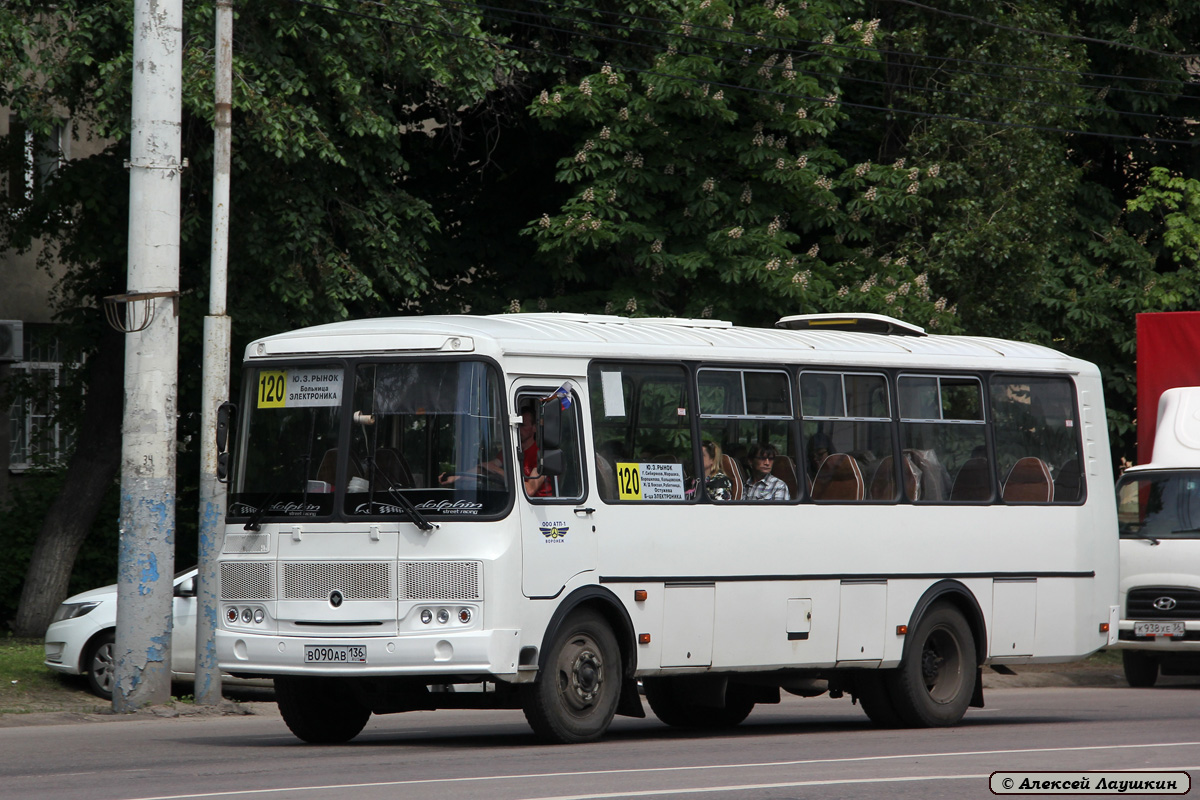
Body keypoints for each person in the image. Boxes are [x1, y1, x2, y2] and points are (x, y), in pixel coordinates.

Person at [519, 406, 553, 497]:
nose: (518, 429)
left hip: (538, 506)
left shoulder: (542, 455)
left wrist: (500, 473)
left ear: (534, 428)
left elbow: (530, 490)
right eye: (517, 425)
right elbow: (493, 464)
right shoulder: (512, 451)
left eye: (523, 425)